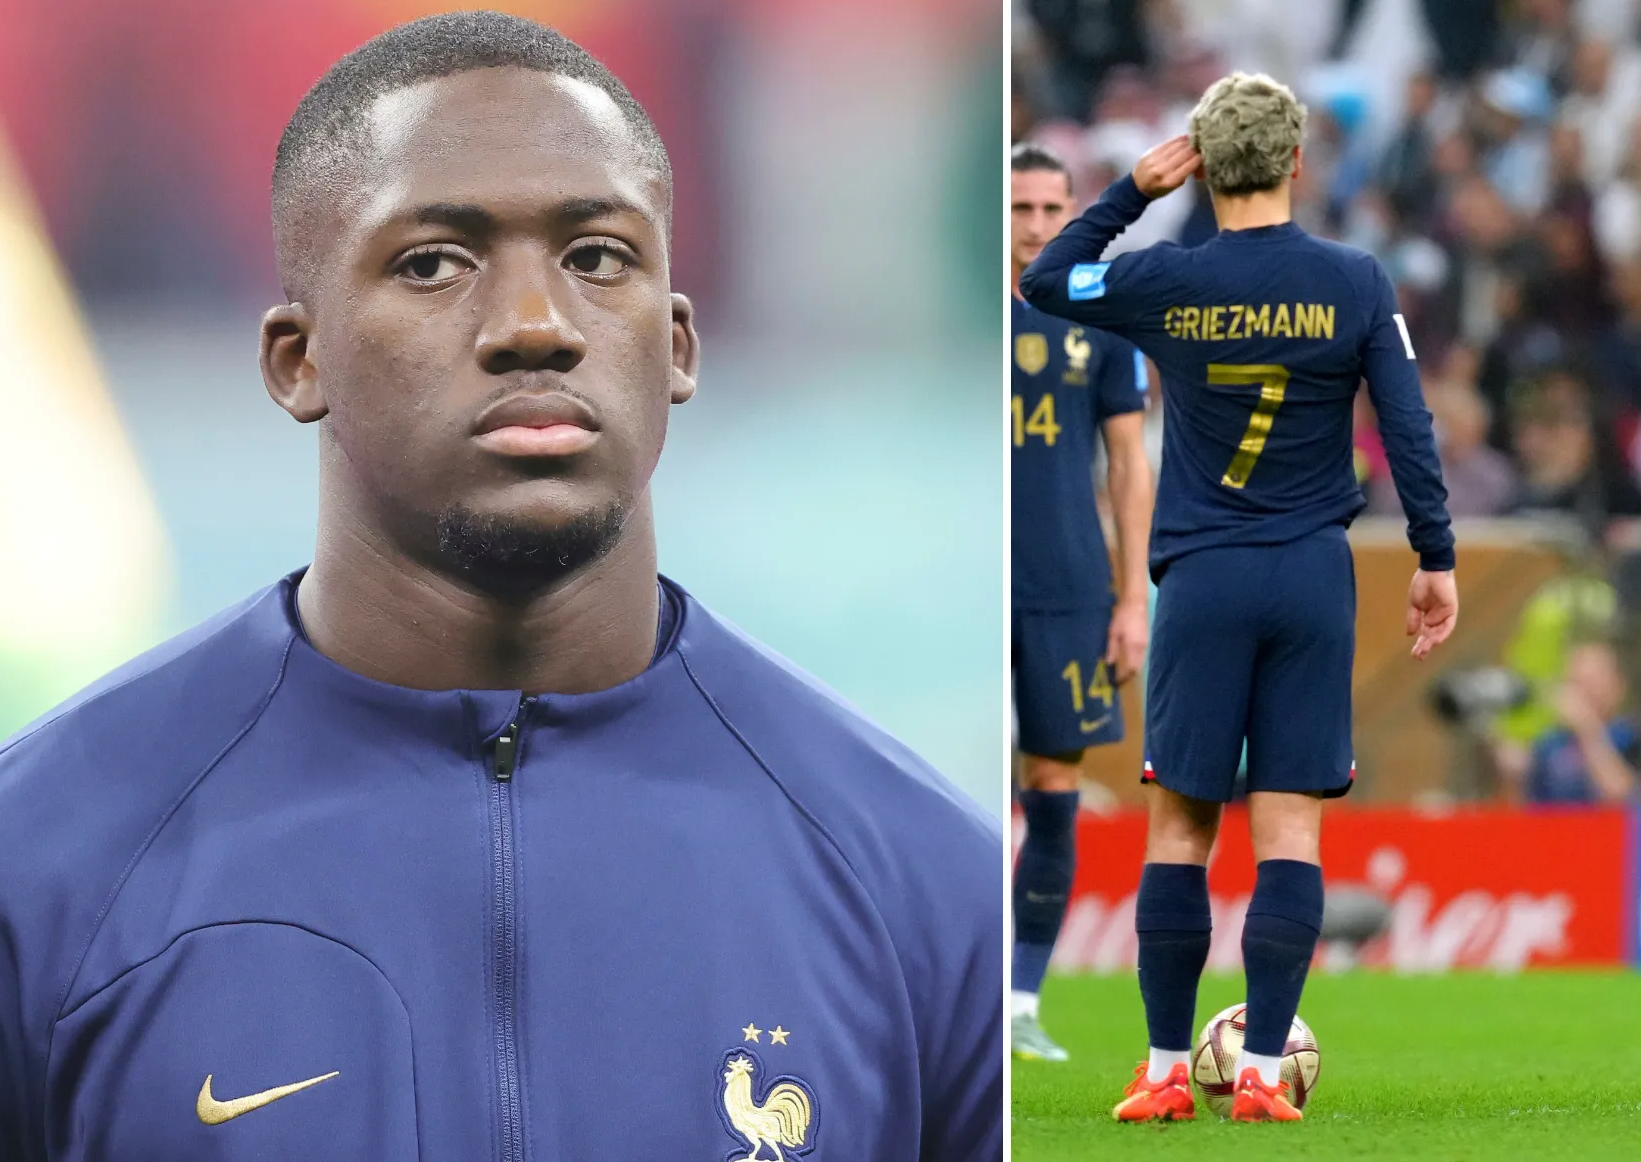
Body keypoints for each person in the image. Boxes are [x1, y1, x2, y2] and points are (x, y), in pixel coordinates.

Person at [0, 14, 1000, 1159]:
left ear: (676, 345)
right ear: (297, 358)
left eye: (597, 259)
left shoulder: (922, 885)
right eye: (435, 262)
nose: (536, 325)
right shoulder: (42, 864)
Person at [1022, 72, 1458, 1125]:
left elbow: (1046, 279)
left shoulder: (1168, 277)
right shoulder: (1354, 281)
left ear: (1206, 165)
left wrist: (1130, 188)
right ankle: (1262, 1069)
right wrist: (1433, 556)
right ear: (1300, 163)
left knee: (1178, 829)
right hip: (1311, 575)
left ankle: (1167, 1067)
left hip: (1204, 576)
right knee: (1290, 834)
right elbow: (1407, 426)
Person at [1007, 142, 1153, 1063]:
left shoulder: (1099, 315)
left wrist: (1131, 597)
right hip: (963, 589)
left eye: (1048, 208)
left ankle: (1019, 1001)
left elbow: (1130, 466)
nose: (1032, 225)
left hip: (1066, 588)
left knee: (1053, 792)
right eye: (1017, 207)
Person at [1518, 640, 1641, 805]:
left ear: (1617, 686)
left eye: (1592, 682)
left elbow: (1621, 796)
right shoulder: (1550, 743)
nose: (1583, 692)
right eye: (1576, 682)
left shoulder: (1629, 735)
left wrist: (1587, 728)